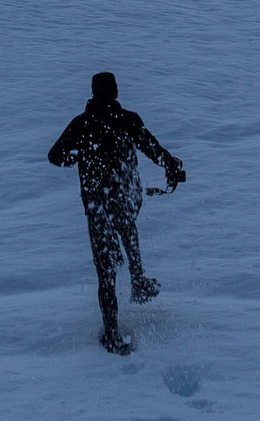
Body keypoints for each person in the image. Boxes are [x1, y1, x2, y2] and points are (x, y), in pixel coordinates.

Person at [48, 71, 185, 354]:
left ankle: (112, 334)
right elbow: (153, 149)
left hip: (96, 205)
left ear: (92, 93)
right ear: (116, 93)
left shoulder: (81, 124)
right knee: (128, 230)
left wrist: (76, 158)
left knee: (105, 272)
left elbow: (55, 155)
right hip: (123, 200)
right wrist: (170, 164)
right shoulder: (127, 120)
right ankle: (138, 281)